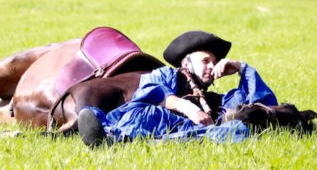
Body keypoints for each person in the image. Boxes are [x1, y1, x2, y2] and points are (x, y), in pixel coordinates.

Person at [77, 30, 278, 147]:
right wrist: (188, 108)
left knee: (238, 130)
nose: (211, 66)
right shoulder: (165, 75)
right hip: (147, 120)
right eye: (205, 60)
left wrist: (242, 68)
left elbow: (263, 104)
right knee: (145, 113)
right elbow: (149, 92)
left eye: (214, 62)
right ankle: (103, 129)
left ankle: (125, 141)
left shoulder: (215, 99)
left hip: (188, 132)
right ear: (186, 63)